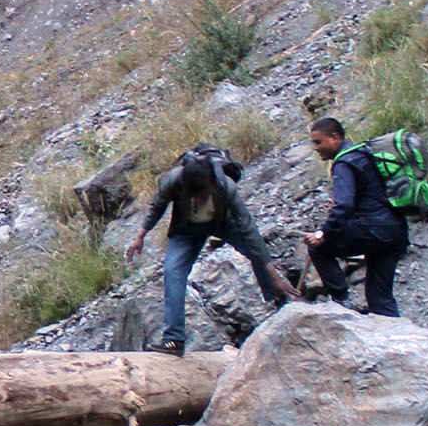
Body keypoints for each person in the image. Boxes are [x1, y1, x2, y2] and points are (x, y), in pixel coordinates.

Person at [130, 145, 295, 355]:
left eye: (202, 194)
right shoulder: (172, 181)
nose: (197, 200)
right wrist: (140, 236)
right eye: (193, 195)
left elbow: (248, 228)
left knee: (257, 253)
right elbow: (157, 206)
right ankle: (174, 340)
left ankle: (280, 302)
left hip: (223, 222)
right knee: (172, 272)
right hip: (187, 229)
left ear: (211, 184)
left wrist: (272, 272)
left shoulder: (226, 186)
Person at [304, 115, 408, 317]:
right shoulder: (364, 154)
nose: (315, 148)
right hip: (395, 231)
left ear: (335, 138)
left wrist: (322, 233)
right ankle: (398, 334)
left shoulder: (344, 162)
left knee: (317, 247)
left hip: (372, 228)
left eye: (318, 142)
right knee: (380, 298)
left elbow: (343, 205)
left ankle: (340, 302)